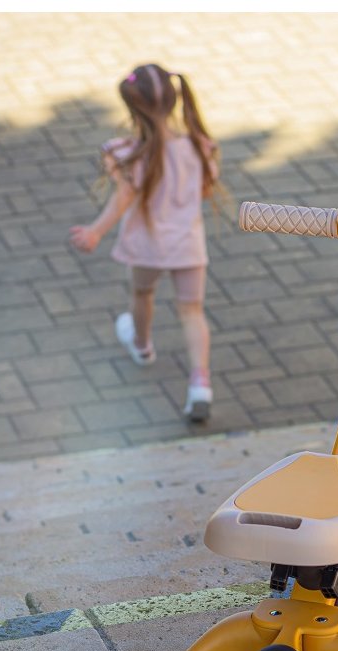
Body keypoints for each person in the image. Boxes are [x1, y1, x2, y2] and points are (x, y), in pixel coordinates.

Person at [70, 63, 221, 422]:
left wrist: (96, 231)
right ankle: (200, 384)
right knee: (192, 311)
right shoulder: (200, 147)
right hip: (188, 245)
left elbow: (123, 198)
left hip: (147, 247)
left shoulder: (126, 153)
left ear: (132, 108)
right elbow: (205, 190)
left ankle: (142, 346)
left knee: (142, 293)